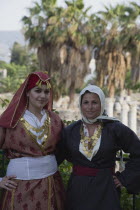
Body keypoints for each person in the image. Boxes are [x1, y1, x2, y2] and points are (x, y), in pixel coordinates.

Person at [56, 84, 140, 210]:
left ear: (102, 104)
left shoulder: (114, 129)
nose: (90, 107)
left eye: (94, 102)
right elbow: (55, 157)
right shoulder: (70, 131)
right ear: (80, 104)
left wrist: (124, 179)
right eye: (86, 102)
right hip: (78, 189)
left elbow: (138, 152)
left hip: (106, 188)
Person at [0, 71, 65, 210]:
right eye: (38, 91)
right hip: (18, 187)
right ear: (27, 93)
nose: (42, 96)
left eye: (47, 92)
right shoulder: (11, 120)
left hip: (51, 184)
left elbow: (63, 150)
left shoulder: (55, 120)